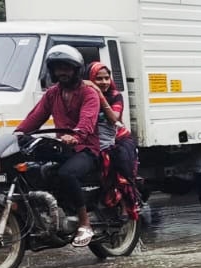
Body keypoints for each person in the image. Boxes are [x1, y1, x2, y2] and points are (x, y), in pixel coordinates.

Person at [16, 45, 102, 246]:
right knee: (33, 168)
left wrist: (76, 136)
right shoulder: (52, 94)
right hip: (62, 148)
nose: (61, 72)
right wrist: (16, 136)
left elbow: (87, 122)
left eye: (66, 68)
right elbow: (33, 119)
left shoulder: (88, 93)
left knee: (67, 174)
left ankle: (84, 222)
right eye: (57, 68)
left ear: (76, 69)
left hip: (86, 149)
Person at [84, 62, 141, 220]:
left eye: (106, 78)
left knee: (118, 163)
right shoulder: (84, 96)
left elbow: (114, 119)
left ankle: (126, 205)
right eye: (98, 79)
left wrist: (99, 96)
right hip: (93, 140)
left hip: (118, 139)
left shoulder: (115, 96)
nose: (103, 82)